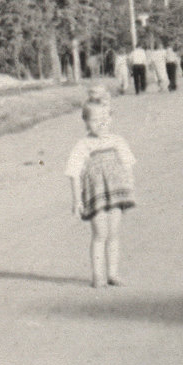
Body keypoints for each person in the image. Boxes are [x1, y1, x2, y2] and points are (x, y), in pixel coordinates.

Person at [66, 100, 136, 288]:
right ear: (85, 121)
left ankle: (113, 273)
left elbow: (128, 163)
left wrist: (129, 186)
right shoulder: (83, 145)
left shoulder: (117, 141)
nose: (101, 124)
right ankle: (98, 275)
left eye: (104, 119)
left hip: (116, 194)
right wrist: (77, 200)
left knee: (113, 233)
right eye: (95, 120)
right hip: (95, 195)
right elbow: (73, 173)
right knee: (100, 233)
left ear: (111, 119)